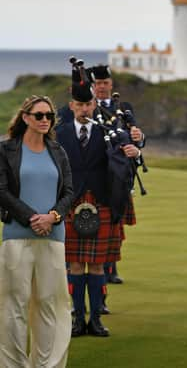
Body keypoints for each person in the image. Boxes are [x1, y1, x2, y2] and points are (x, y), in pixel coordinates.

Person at [56, 70, 141, 337]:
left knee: (97, 265)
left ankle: (96, 320)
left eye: (88, 105)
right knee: (76, 265)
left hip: (101, 201)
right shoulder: (60, 133)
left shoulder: (109, 130)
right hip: (70, 203)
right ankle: (77, 319)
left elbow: (131, 147)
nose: (83, 109)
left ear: (94, 105)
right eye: (79, 105)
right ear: (72, 106)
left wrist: (136, 150)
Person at [0, 95, 74, 367]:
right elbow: (2, 192)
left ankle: (46, 365)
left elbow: (68, 192)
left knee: (49, 305)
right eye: (39, 115)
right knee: (12, 307)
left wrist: (52, 217)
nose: (45, 120)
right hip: (16, 237)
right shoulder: (6, 149)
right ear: (25, 117)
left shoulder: (58, 151)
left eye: (49, 116)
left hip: (53, 238)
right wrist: (32, 217)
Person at [91, 64, 145, 286]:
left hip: (120, 174)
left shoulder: (123, 107)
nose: (101, 87)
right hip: (96, 174)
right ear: (91, 86)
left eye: (105, 83)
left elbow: (136, 137)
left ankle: (111, 267)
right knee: (98, 226)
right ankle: (95, 267)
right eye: (97, 83)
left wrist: (139, 139)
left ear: (111, 84)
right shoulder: (85, 108)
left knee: (116, 226)